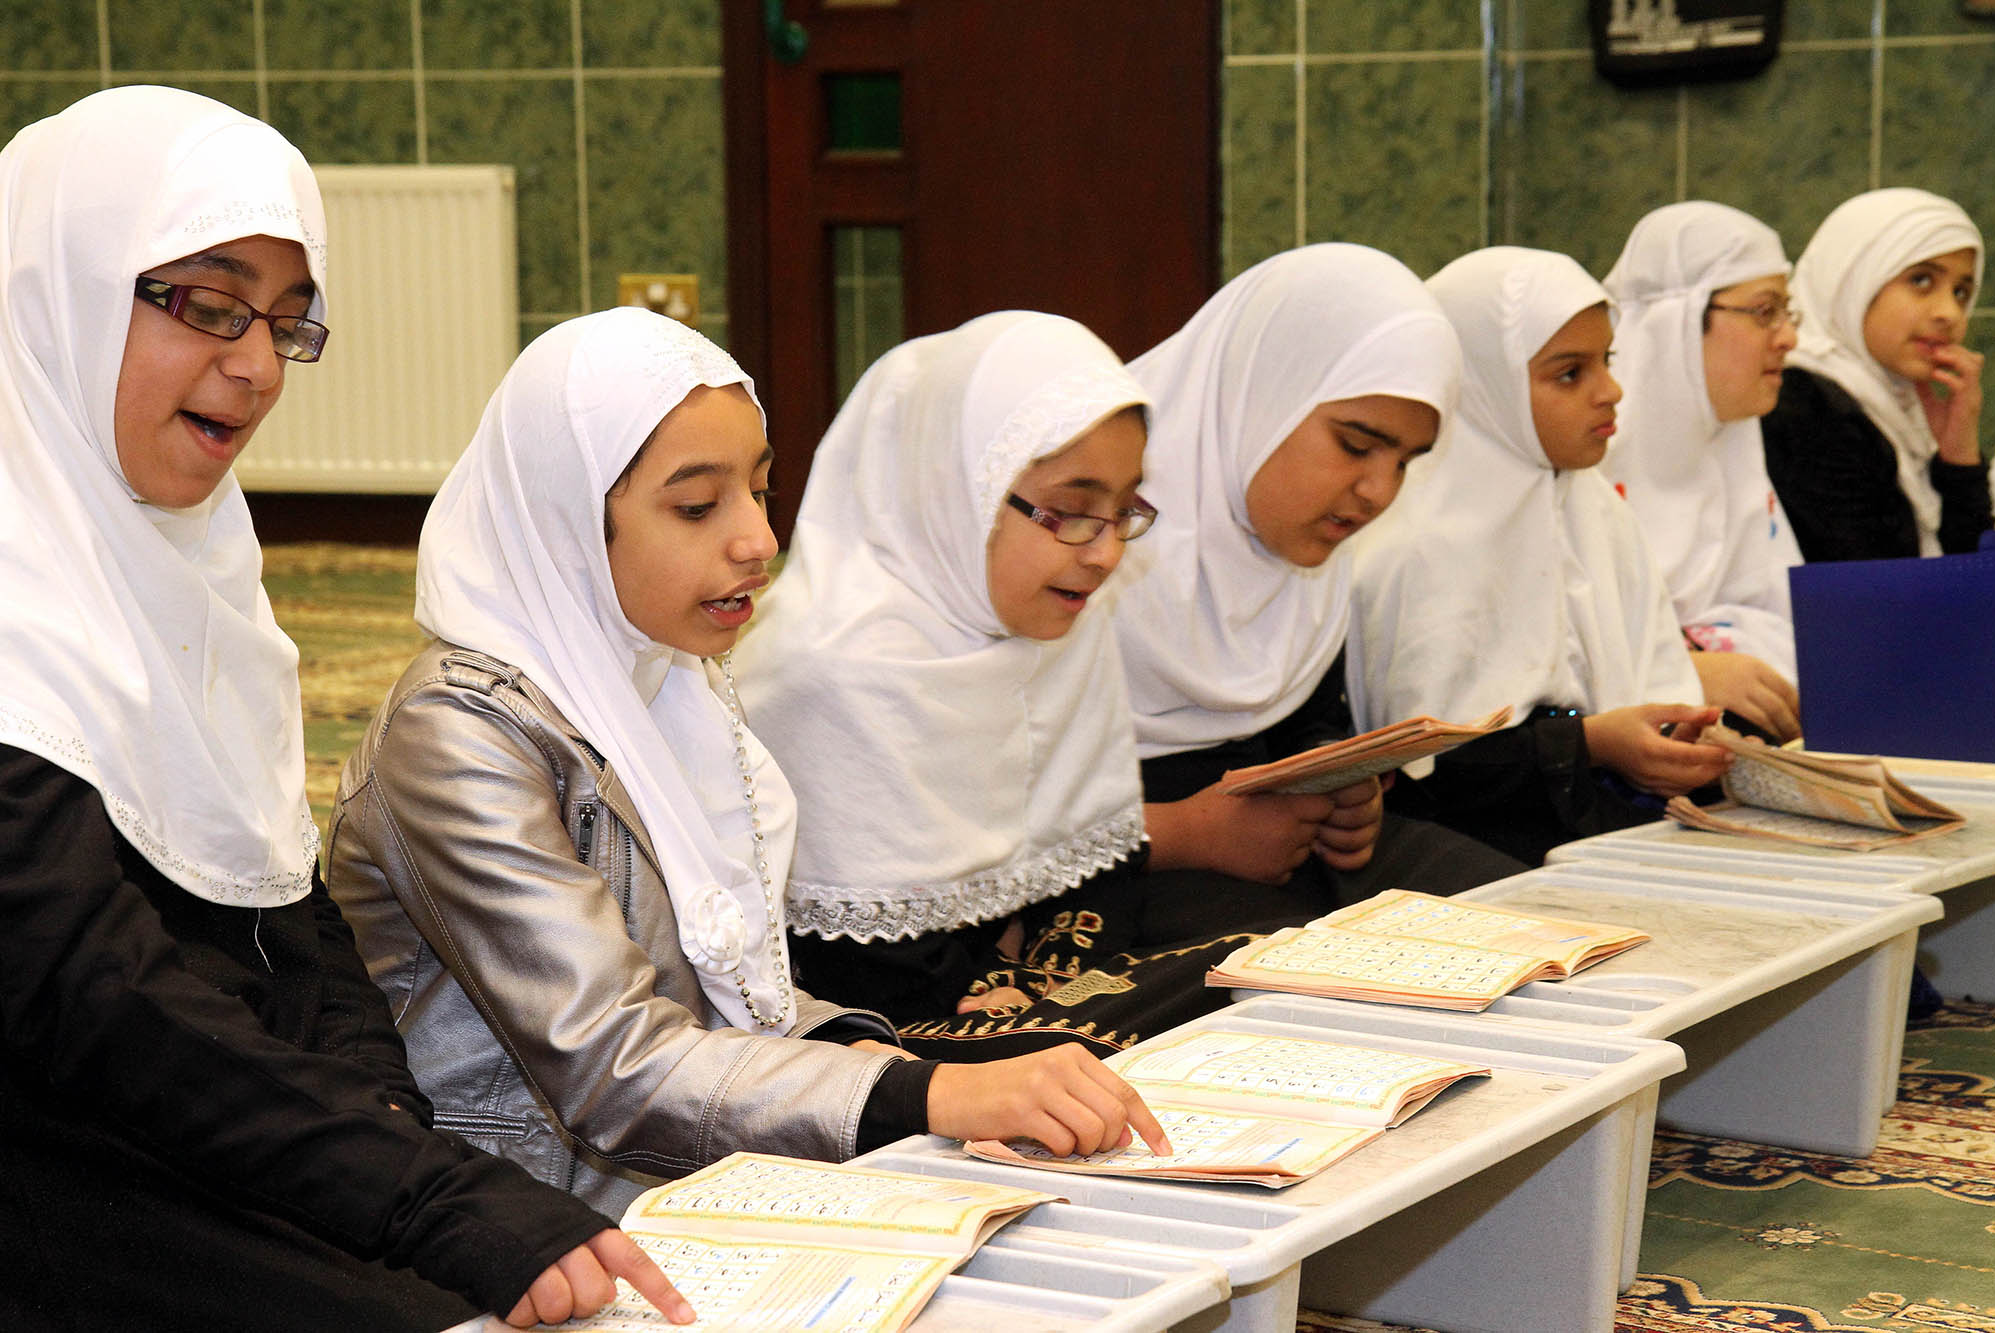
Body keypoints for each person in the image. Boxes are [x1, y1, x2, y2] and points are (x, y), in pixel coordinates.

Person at [0, 87, 688, 1331]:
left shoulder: (196, 571)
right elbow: (88, 992)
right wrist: (417, 1195)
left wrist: (383, 1116)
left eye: (285, 322)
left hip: (212, 1134)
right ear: (58, 293)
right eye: (206, 305)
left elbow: (283, 909)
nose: (257, 366)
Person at [327, 307, 1168, 1214]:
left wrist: (883, 1061)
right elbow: (617, 1069)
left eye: (760, 492)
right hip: (527, 1213)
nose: (758, 542)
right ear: (566, 518)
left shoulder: (668, 679)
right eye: (697, 505)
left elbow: (736, 991)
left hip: (693, 1165)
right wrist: (922, 1093)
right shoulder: (458, 734)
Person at [733, 311, 1257, 1057]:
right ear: (950, 487)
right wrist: (1018, 983)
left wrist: (1034, 973)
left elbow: (1099, 871)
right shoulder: (829, 673)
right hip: (879, 1053)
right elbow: (873, 977)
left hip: (1040, 1018)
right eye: (1073, 512)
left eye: (1124, 510)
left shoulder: (1059, 625)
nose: (1106, 552)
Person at [1107, 244, 1525, 940]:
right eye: (1357, 445)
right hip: (1126, 877)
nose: (1379, 493)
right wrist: (1190, 833)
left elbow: (1304, 719)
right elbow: (996, 820)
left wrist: (1343, 791)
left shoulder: (1302, 551)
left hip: (1284, 854)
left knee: (1528, 925)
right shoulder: (1090, 531)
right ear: (1263, 393)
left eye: (1407, 462)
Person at [1346, 246, 1732, 866]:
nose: (1612, 391)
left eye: (1606, 361)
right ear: (1480, 386)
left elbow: (1644, 681)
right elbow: (1429, 777)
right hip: (1482, 855)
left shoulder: (1594, 508)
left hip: (1611, 824)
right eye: (1569, 374)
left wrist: (1678, 738)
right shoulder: (1414, 541)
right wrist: (1590, 745)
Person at [1600, 201, 1804, 743]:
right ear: (1679, 324)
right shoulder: (1586, 462)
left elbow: (1780, 617)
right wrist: (1681, 671)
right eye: (1765, 312)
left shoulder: (1735, 451)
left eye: (1788, 313)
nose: (1788, 338)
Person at [1761, 188, 1989, 561]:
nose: (1949, 312)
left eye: (1962, 291)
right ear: (1853, 281)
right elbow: (1881, 590)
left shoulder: (1898, 408)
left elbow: (1973, 577)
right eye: (1921, 281)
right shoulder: (1802, 405)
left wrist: (1958, 455)